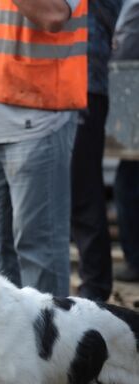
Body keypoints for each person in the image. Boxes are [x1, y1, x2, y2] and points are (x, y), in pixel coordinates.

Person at [0, 0, 88, 297]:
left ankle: (47, 339)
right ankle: (4, 336)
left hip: (40, 117)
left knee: (39, 245)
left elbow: (53, 15)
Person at [71, 0, 122, 302]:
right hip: (62, 86)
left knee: (82, 189)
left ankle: (95, 288)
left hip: (84, 85)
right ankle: (94, 284)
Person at [111, 0, 139, 282]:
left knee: (128, 181)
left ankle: (135, 260)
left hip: (131, 83)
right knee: (128, 179)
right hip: (129, 86)